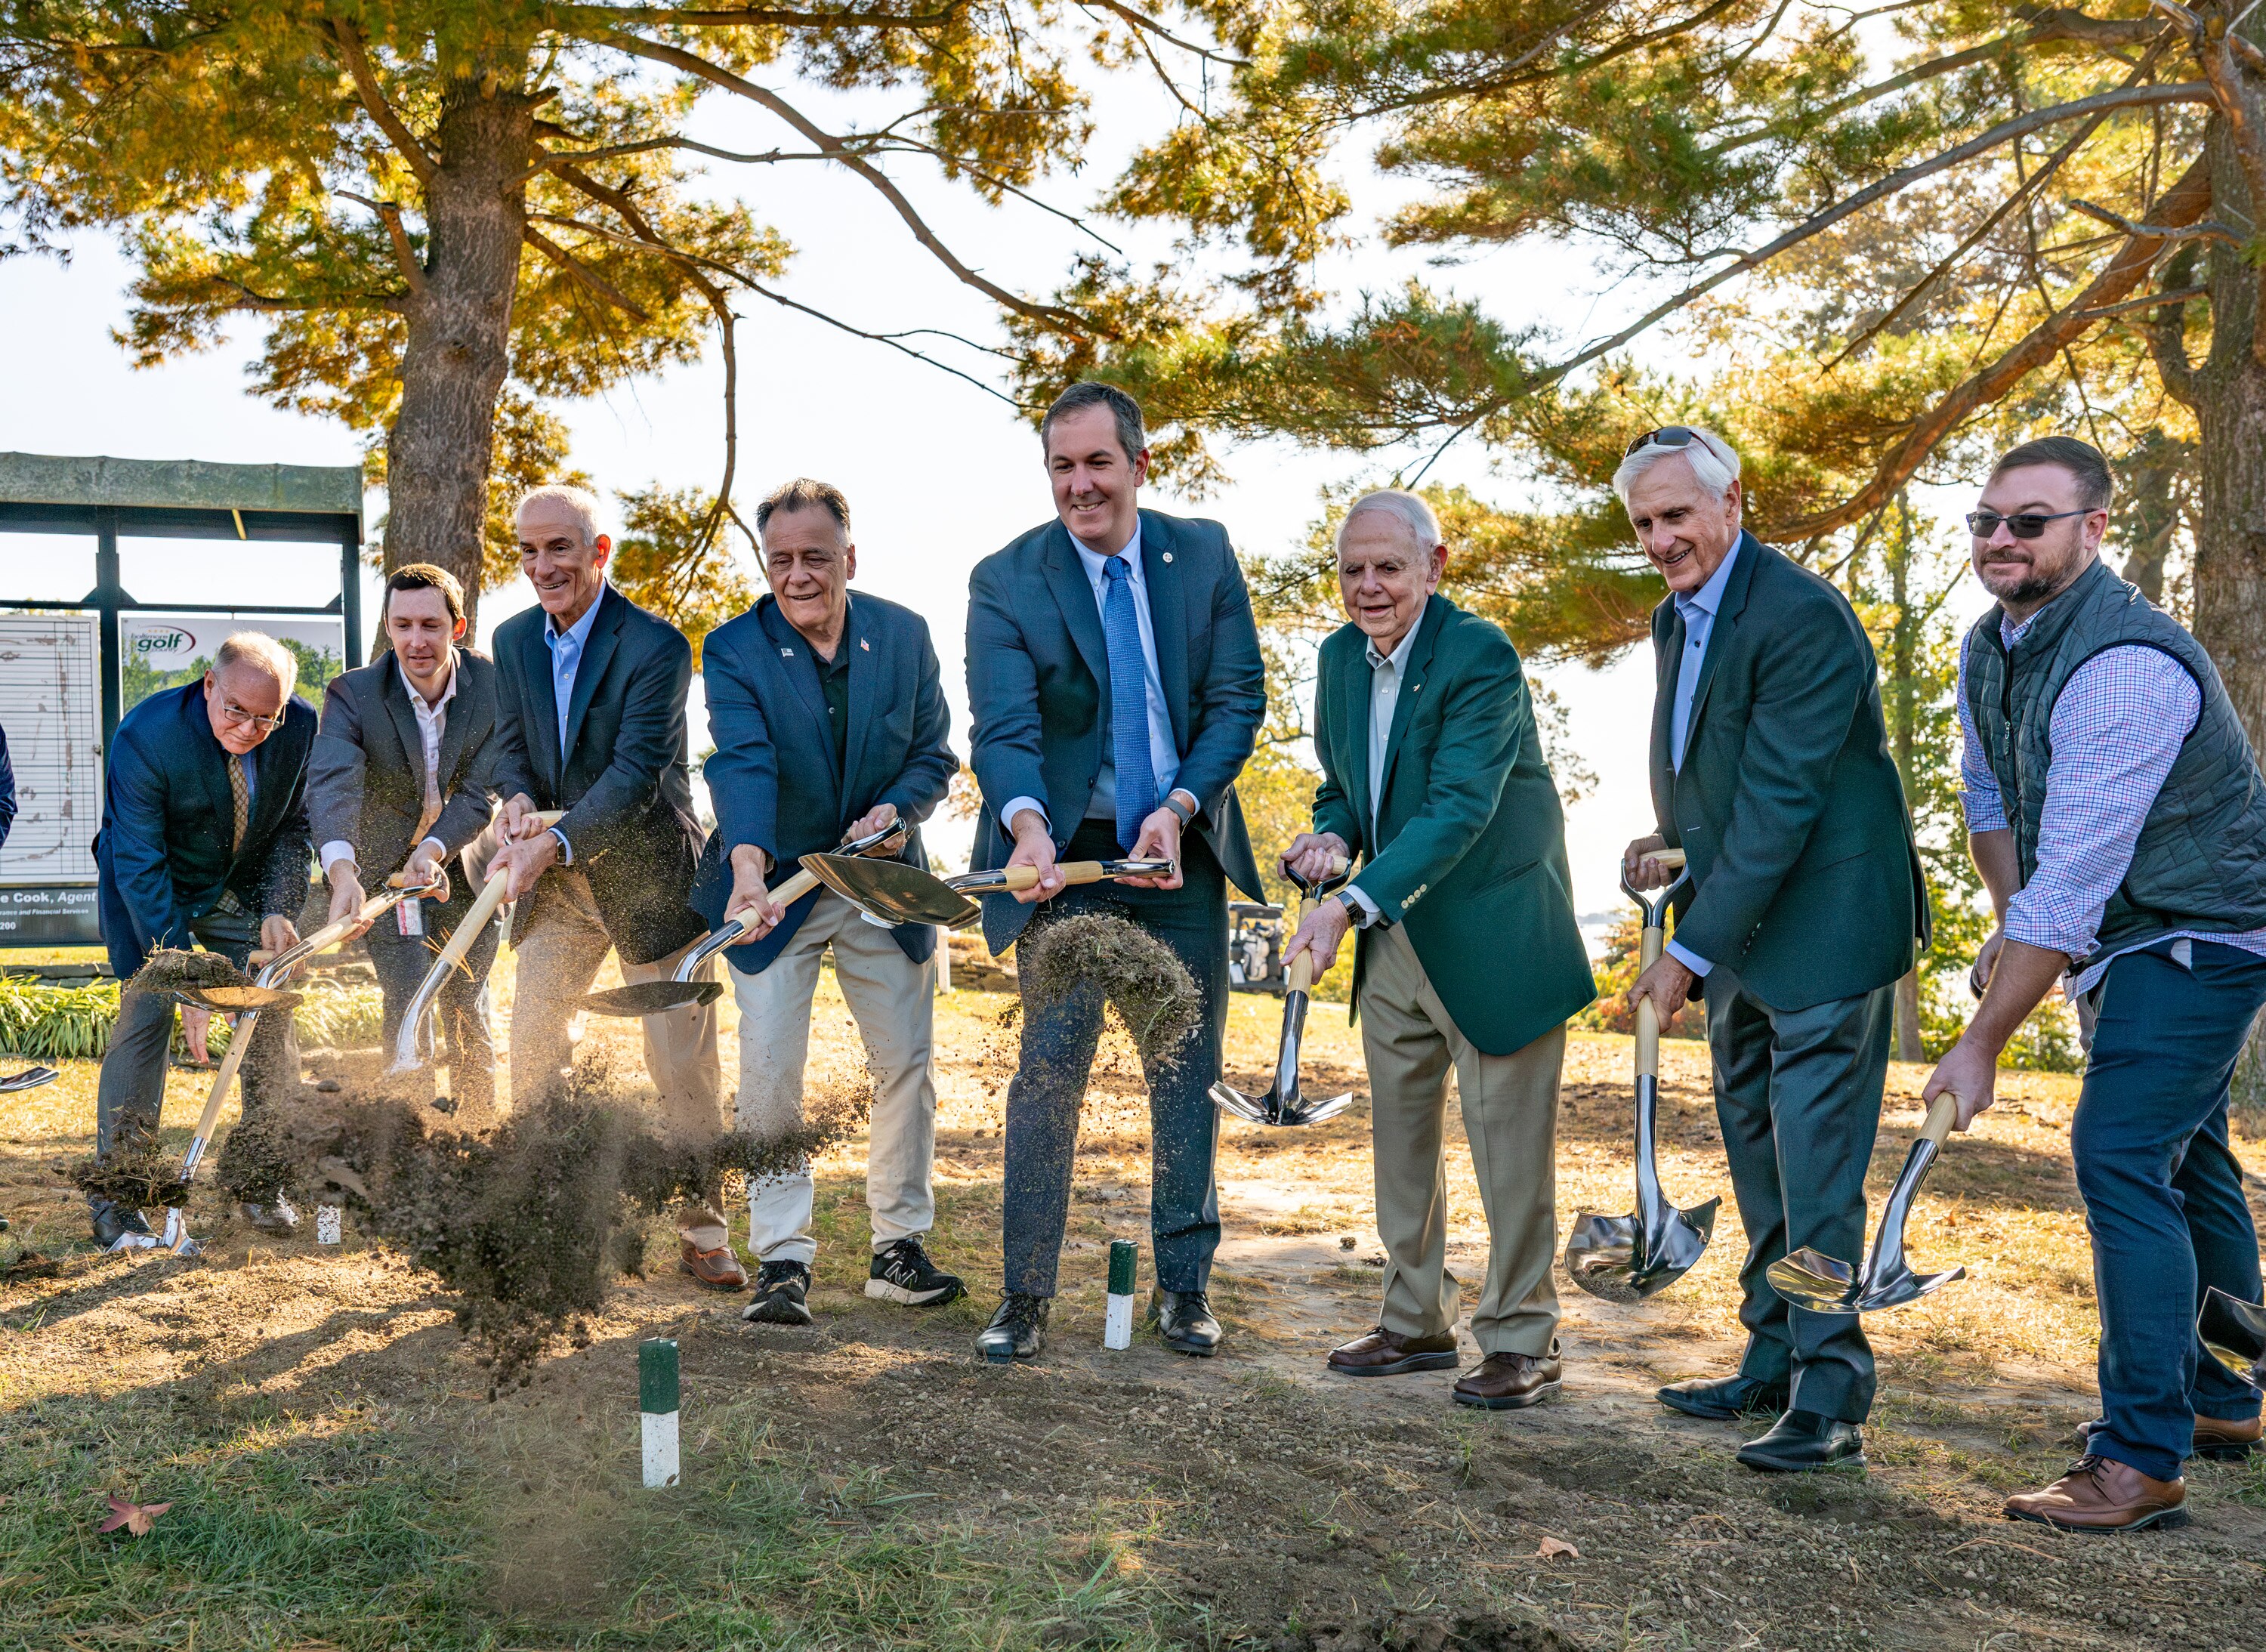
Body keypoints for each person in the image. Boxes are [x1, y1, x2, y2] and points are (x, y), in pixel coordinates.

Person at [1922, 437, 2266, 1532]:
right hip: (2126, 929)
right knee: (2187, 1149)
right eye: (1985, 521)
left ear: (2094, 529)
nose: (2001, 540)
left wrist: (1980, 1039)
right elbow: (1991, 796)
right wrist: (2008, 923)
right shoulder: (1994, 644)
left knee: (2117, 1150)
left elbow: (2076, 878)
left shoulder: (2127, 666)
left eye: (2029, 520)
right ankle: (2221, 1395)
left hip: (2202, 932)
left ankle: (2139, 1455)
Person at [1619, 426, 1928, 1473]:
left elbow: (1787, 799)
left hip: (1829, 926)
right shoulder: (1676, 617)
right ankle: (1771, 1356)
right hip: (1745, 917)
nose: (1663, 538)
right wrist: (1673, 844)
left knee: (1817, 1167)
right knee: (1756, 1149)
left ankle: (1831, 1394)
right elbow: (1727, 781)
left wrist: (1686, 954)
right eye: (1645, 523)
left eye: (1676, 514)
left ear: (1733, 501)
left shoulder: (1801, 614)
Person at [964, 381, 1267, 1363]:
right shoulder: (1005, 580)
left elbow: (1236, 701)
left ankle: (1184, 1285)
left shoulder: (1206, 553)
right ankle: (1025, 1296)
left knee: (1185, 1068)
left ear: (1140, 463)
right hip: (1060, 863)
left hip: (1174, 857)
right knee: (1048, 1068)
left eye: (1098, 462)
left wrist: (1180, 808)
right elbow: (1004, 729)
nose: (1080, 484)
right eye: (1062, 465)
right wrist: (1026, 826)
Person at [1280, 490, 1595, 1409]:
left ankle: (1523, 1338)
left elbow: (1460, 805)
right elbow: (1347, 786)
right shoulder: (1338, 659)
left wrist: (1347, 904)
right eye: (1351, 570)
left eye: (1388, 567)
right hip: (1395, 938)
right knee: (1401, 1145)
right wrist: (1332, 838)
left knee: (1508, 1154)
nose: (1368, 587)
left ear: (1435, 566)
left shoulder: (1482, 656)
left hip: (1494, 938)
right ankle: (1415, 1321)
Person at [691, 478, 962, 1326]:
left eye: (816, 556)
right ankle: (782, 1259)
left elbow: (933, 755)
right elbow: (742, 763)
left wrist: (899, 811)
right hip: (774, 886)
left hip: (881, 880)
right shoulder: (734, 648)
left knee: (905, 1064)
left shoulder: (906, 634)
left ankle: (898, 1249)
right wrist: (747, 865)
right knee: (771, 1069)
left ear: (850, 555)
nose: (798, 574)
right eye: (781, 559)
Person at [485, 483, 739, 1288]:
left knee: (681, 1065)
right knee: (533, 1041)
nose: (541, 566)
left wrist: (553, 841)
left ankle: (704, 1234)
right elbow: (510, 746)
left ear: (599, 552)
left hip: (650, 877)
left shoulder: (657, 647)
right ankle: (550, 1219)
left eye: (559, 548)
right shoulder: (514, 637)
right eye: (527, 550)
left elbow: (637, 774)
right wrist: (517, 797)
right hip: (558, 887)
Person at [88, 632, 316, 1244]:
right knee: (147, 1014)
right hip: (151, 892)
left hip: (233, 891)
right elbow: (138, 862)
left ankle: (260, 1180)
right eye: (235, 710)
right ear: (209, 685)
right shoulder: (147, 735)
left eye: (266, 717)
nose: (247, 728)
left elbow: (293, 827)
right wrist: (186, 974)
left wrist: (277, 908)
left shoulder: (299, 729)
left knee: (269, 1010)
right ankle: (121, 1202)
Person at [307, 564, 505, 1117]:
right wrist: (342, 871)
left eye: (430, 625)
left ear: (457, 627)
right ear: (388, 628)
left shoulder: (494, 685)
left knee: (467, 997)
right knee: (408, 991)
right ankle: (408, 1134)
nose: (416, 640)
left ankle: (479, 1135)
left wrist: (434, 848)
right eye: (402, 625)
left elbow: (481, 789)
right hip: (385, 875)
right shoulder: (353, 692)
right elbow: (333, 782)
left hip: (465, 867)